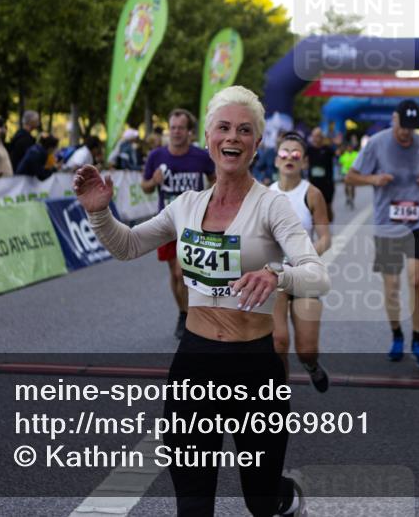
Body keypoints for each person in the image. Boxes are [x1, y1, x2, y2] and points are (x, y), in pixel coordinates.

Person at [77, 85, 328, 516]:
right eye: (224, 127)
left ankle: (286, 498)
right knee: (193, 504)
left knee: (261, 500)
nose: (233, 137)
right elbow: (128, 246)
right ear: (208, 137)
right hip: (194, 363)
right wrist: (100, 212)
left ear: (257, 144)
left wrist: (276, 273)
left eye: (244, 130)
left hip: (254, 367)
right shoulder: (186, 205)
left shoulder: (272, 206)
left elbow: (316, 275)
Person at [345, 99, 419, 367]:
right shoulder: (377, 143)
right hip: (387, 223)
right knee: (391, 288)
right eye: (403, 128)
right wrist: (373, 179)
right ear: (394, 119)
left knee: (415, 279)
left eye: (411, 129)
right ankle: (397, 335)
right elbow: (350, 177)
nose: (406, 134)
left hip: (418, 220)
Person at [141, 109, 216, 339]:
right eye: (172, 128)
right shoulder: (157, 156)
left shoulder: (201, 157)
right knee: (175, 276)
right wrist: (153, 181)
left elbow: (216, 180)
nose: (175, 132)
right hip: (168, 224)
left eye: (180, 128)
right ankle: (184, 314)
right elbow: (145, 186)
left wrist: (212, 200)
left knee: (182, 272)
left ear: (189, 132)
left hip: (195, 224)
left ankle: (194, 316)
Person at [269, 131, 332, 392]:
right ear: (276, 160)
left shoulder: (312, 193)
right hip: (275, 275)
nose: (290, 158)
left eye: (296, 154)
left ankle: (312, 366)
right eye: (285, 153)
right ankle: (278, 399)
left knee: (306, 350)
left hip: (305, 274)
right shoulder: (265, 194)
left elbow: (326, 238)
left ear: (304, 162)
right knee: (278, 342)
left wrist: (305, 255)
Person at [306, 127, 336, 222]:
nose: (316, 138)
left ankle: (329, 226)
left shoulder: (328, 150)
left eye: (318, 136)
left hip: (327, 184)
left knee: (327, 207)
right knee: (312, 208)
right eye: (314, 136)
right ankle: (316, 231)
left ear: (322, 138)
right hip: (313, 183)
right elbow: (303, 162)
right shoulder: (308, 150)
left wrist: (337, 143)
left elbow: (338, 153)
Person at [338, 136, 360, 211]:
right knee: (346, 187)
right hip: (345, 173)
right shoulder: (344, 155)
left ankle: (352, 199)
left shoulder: (356, 154)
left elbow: (359, 163)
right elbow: (340, 163)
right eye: (348, 147)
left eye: (350, 147)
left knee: (353, 187)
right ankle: (348, 197)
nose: (349, 148)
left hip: (353, 173)